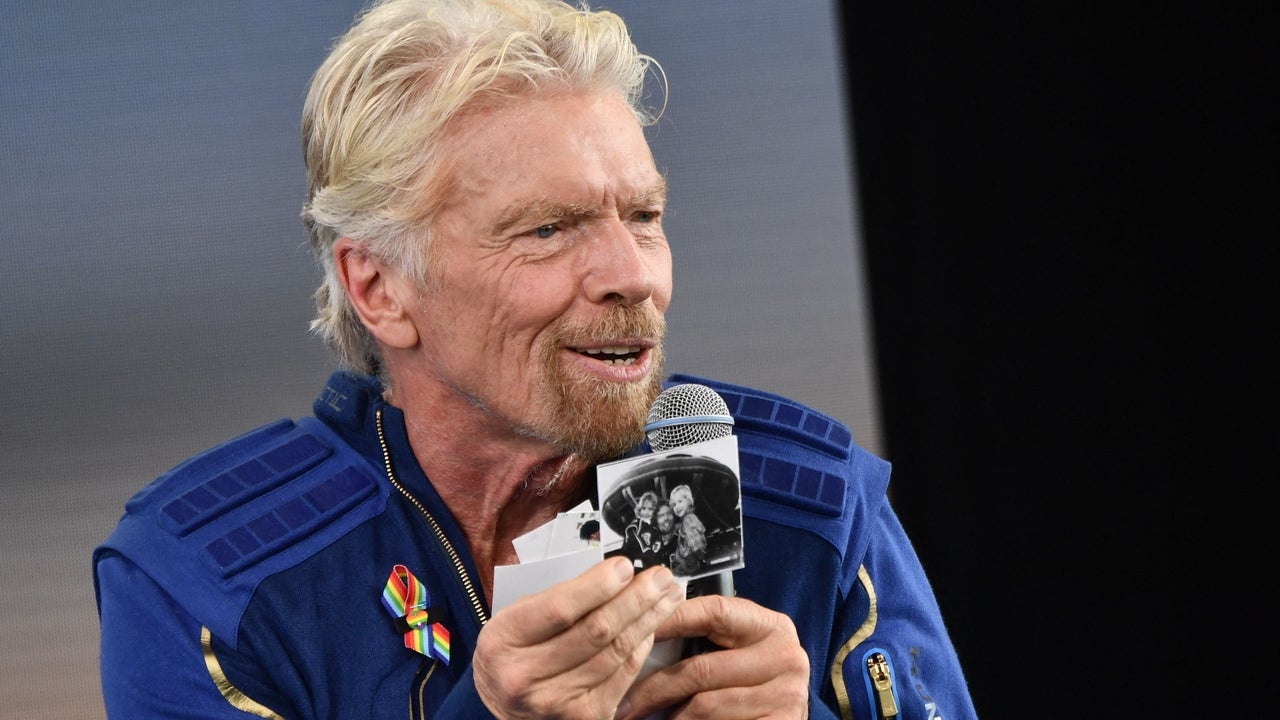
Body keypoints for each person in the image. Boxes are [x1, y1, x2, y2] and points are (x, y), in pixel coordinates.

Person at [92, 0, 977, 718]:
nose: (632, 276)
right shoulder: (208, 578)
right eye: (547, 230)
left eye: (643, 217)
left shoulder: (811, 509)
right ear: (380, 289)